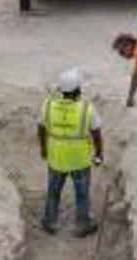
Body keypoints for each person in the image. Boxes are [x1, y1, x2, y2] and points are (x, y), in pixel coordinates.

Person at [38, 68, 104, 237]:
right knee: (82, 194)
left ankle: (49, 221)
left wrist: (44, 149)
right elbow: (96, 133)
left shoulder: (48, 105)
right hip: (79, 160)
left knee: (53, 191)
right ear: (78, 90)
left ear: (61, 90)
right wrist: (99, 154)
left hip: (56, 158)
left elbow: (41, 128)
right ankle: (83, 225)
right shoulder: (87, 108)